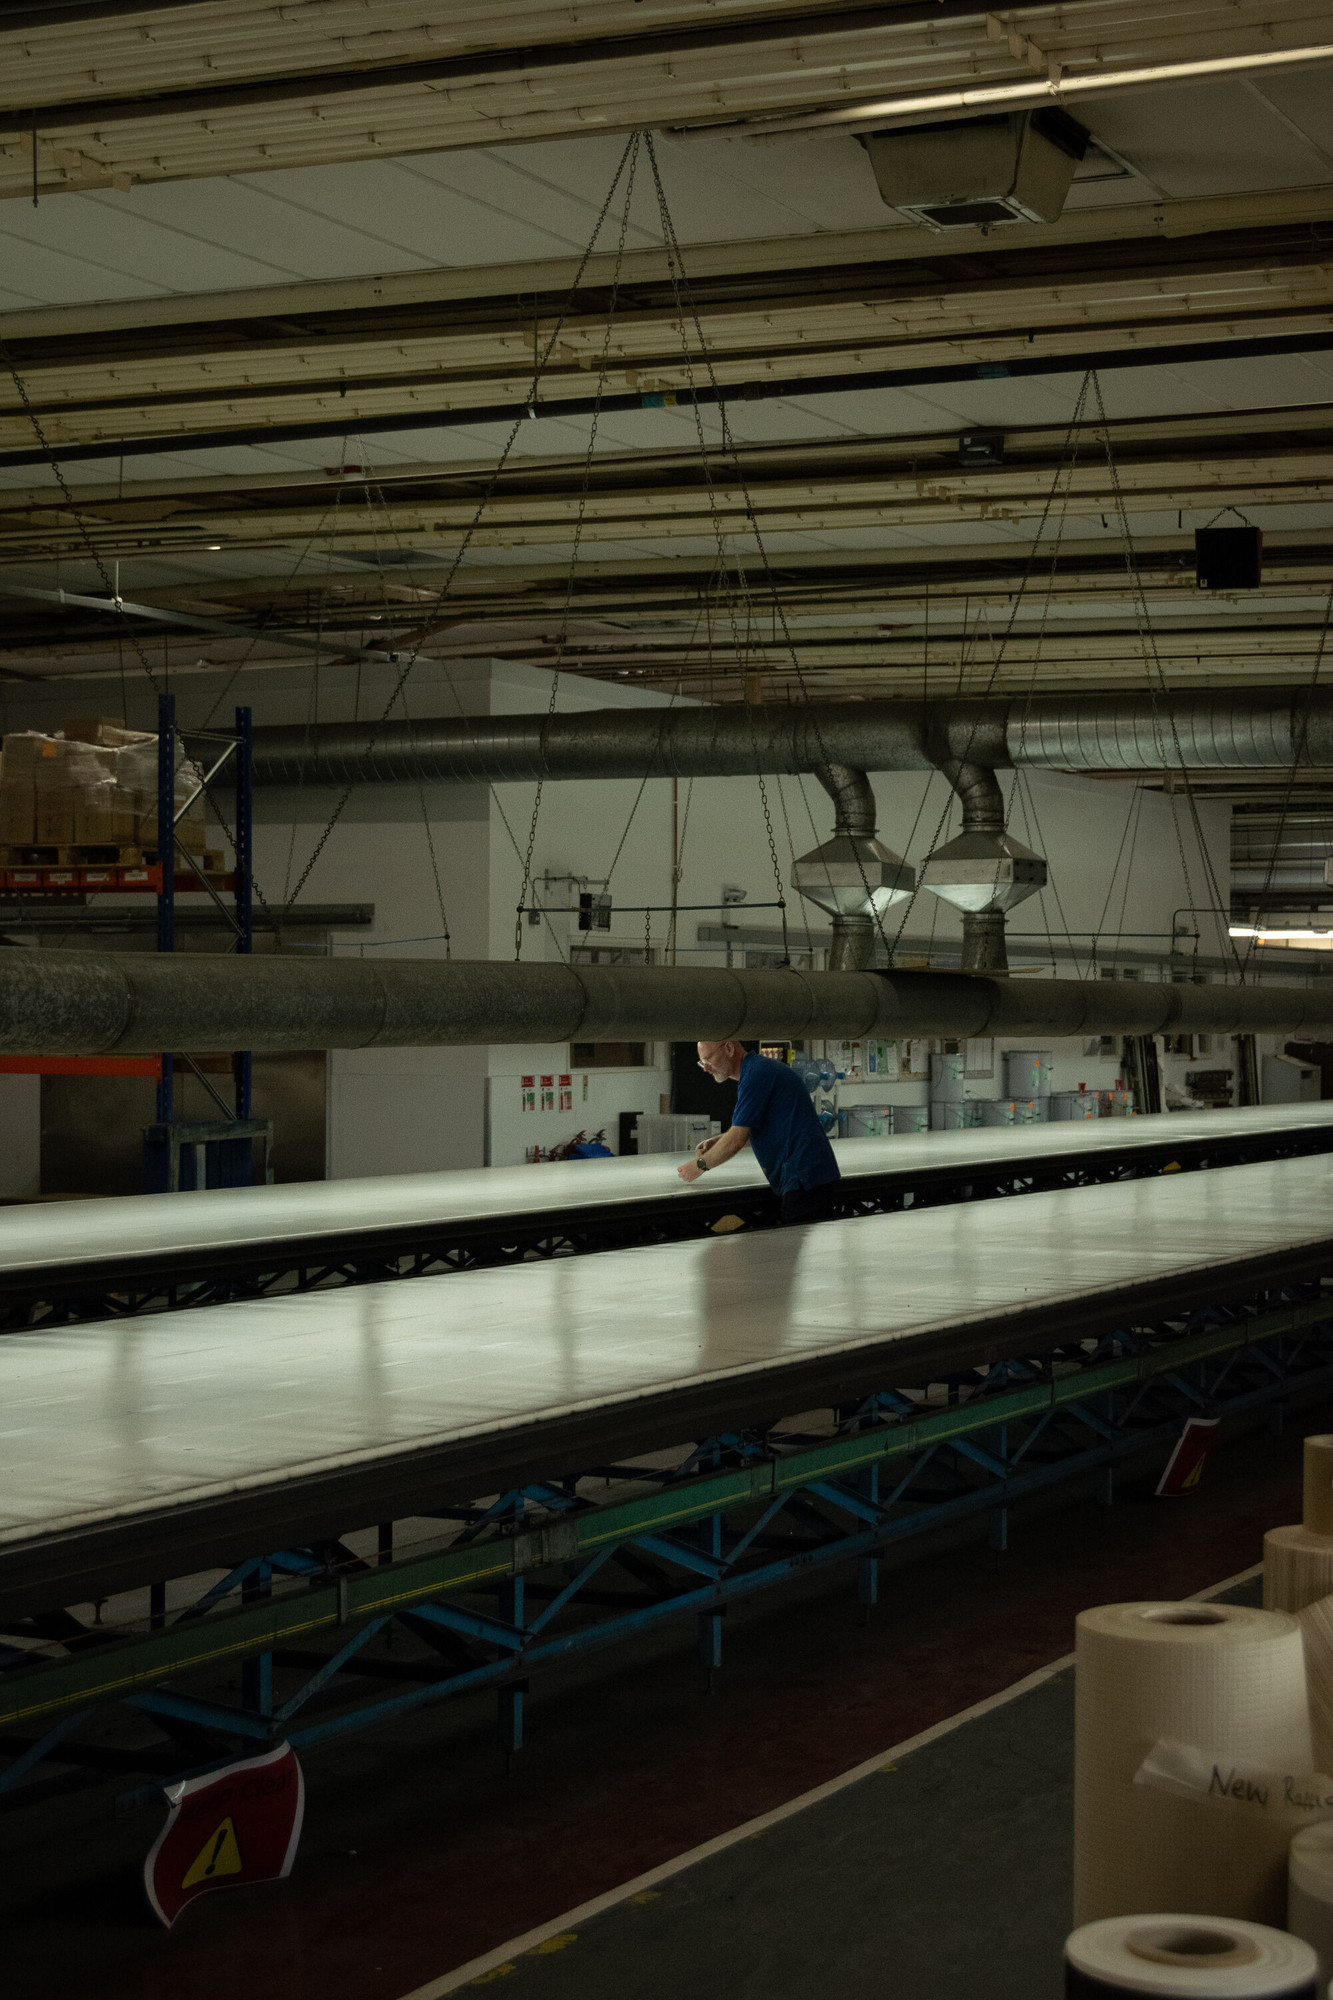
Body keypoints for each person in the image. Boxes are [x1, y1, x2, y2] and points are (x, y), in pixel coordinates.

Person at [677, 1039, 840, 1224]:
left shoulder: (756, 1074)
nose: (705, 1068)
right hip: (805, 1175)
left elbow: (737, 1139)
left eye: (708, 1059)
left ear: (729, 1048)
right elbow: (753, 1126)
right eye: (702, 1062)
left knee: (791, 1243)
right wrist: (720, 1140)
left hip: (804, 1177)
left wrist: (699, 1165)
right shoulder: (755, 1070)